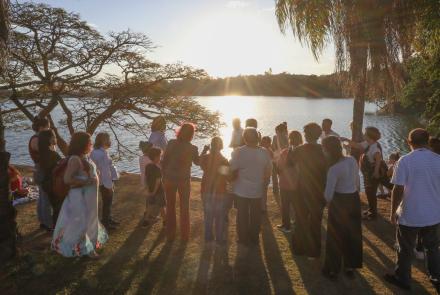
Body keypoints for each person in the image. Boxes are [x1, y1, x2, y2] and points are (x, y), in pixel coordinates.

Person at [384, 128, 440, 292]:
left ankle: (403, 279)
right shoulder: (438, 159)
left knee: (405, 248)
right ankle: (436, 276)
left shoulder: (405, 161)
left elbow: (398, 189)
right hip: (434, 214)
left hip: (410, 215)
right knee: (432, 247)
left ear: (409, 142)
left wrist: (393, 211)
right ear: (428, 140)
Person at [51, 132, 108, 258]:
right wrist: (87, 181)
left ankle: (89, 247)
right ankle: (86, 249)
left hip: (89, 196)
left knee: (90, 220)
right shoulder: (75, 159)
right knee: (81, 223)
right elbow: (67, 179)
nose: (91, 144)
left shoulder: (84, 157)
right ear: (83, 144)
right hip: (80, 196)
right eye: (89, 142)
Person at [321, 136, 362, 280]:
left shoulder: (334, 168)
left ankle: (332, 269)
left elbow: (328, 195)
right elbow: (357, 181)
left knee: (335, 237)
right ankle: (350, 266)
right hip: (354, 200)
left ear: (327, 149)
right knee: (352, 234)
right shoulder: (351, 160)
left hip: (340, 202)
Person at [162, 123, 208, 241]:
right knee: (184, 208)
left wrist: (163, 176)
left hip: (169, 179)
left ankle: (170, 235)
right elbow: (198, 162)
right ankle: (184, 236)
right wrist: (204, 150)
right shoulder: (192, 148)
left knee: (170, 207)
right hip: (183, 180)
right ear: (191, 135)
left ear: (180, 131)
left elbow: (164, 160)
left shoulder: (171, 143)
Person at [288, 123, 327, 258]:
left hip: (302, 189)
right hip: (319, 190)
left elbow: (290, 164)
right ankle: (315, 251)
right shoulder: (324, 149)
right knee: (316, 221)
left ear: (306, 134)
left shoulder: (298, 150)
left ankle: (299, 249)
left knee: (300, 219)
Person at [230, 128, 272, 246]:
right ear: (258, 138)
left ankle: (243, 238)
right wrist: (263, 180)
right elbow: (268, 169)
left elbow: (232, 168)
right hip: (257, 190)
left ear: (244, 138)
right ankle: (254, 238)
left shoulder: (239, 152)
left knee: (242, 215)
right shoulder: (264, 152)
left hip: (241, 190)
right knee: (255, 216)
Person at [342, 127, 391, 220]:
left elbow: (378, 159)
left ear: (369, 136)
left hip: (375, 172)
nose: (363, 135)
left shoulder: (374, 147)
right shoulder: (368, 143)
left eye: (365, 134)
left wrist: (376, 172)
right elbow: (357, 145)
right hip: (371, 173)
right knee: (370, 191)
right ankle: (371, 210)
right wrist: (346, 139)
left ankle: (373, 214)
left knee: (371, 192)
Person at [200, 137, 229, 244]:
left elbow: (199, 161)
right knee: (219, 216)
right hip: (220, 191)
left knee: (208, 215)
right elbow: (227, 176)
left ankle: (208, 237)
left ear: (211, 145)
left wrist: (204, 150)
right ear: (221, 146)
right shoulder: (224, 160)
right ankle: (219, 238)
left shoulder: (206, 158)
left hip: (206, 190)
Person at [91, 133, 119, 230]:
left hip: (101, 181)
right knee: (107, 202)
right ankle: (106, 223)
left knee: (107, 202)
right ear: (103, 140)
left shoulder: (95, 152)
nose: (109, 140)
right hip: (105, 182)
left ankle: (108, 219)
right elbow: (105, 171)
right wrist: (109, 185)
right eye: (108, 139)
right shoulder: (102, 154)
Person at [276, 130, 302, 233]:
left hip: (285, 183)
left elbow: (278, 167)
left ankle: (286, 226)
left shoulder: (285, 152)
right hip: (298, 184)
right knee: (298, 205)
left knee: (285, 205)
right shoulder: (304, 152)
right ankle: (298, 223)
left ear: (290, 139)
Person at [29, 116, 52, 231]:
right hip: (42, 169)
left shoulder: (37, 138)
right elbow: (47, 154)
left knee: (42, 196)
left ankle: (43, 221)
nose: (49, 128)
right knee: (46, 197)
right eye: (48, 126)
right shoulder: (37, 139)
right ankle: (48, 223)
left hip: (40, 169)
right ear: (41, 127)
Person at [39, 130, 62, 227]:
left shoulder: (42, 152)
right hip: (54, 183)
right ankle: (57, 231)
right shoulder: (52, 154)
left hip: (47, 182)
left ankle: (54, 228)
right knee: (58, 209)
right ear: (48, 139)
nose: (56, 138)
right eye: (54, 136)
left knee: (55, 207)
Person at [142, 147, 166, 227]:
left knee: (149, 205)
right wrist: (154, 192)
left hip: (150, 190)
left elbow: (146, 179)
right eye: (159, 156)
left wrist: (149, 190)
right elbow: (158, 182)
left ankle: (145, 221)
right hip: (158, 191)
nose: (160, 158)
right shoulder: (157, 169)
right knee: (161, 206)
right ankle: (165, 221)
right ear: (155, 157)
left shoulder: (148, 166)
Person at [272, 122, 289, 195]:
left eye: (277, 131)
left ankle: (278, 190)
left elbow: (274, 147)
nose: (276, 133)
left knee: (279, 176)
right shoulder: (284, 137)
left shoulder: (277, 137)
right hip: (281, 158)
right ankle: (279, 190)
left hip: (280, 159)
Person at [260, 136, 273, 213]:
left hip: (265, 175)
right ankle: (263, 206)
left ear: (268, 143)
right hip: (265, 175)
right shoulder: (268, 151)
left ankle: (263, 207)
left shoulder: (265, 151)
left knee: (263, 191)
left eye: (264, 142)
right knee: (263, 191)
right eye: (262, 141)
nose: (262, 143)